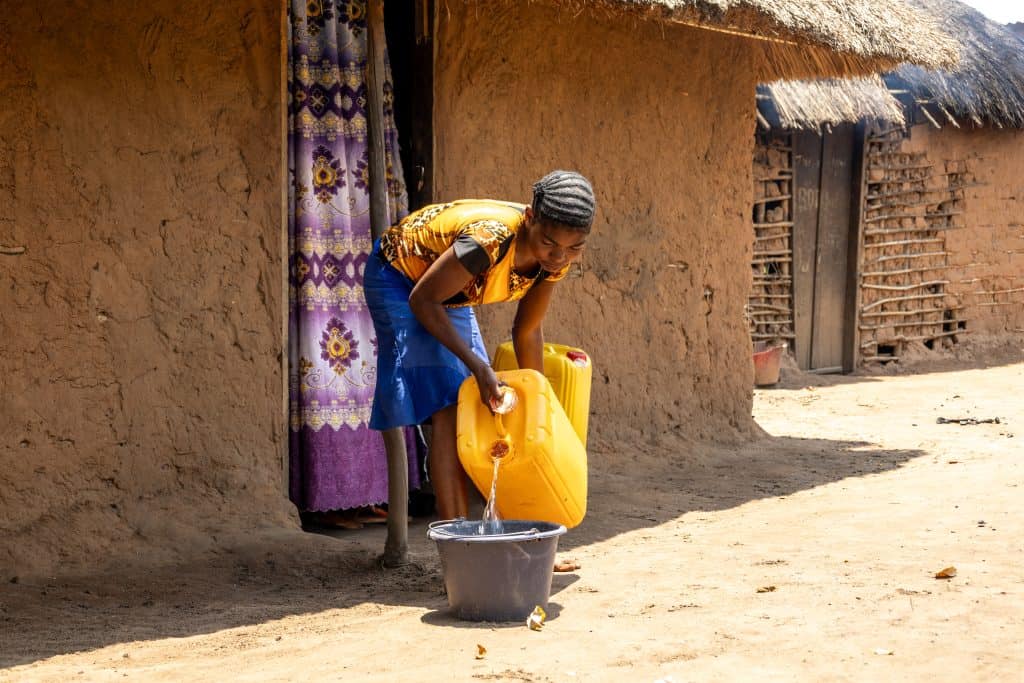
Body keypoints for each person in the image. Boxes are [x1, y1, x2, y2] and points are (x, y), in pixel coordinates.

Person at [364, 170, 596, 519]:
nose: (559, 257)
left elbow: (527, 331)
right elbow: (423, 300)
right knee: (452, 406)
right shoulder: (489, 240)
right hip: (400, 277)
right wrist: (479, 365)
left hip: (448, 294)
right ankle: (460, 544)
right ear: (530, 219)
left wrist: (537, 404)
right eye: (549, 244)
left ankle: (513, 534)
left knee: (488, 407)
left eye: (574, 248)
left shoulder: (554, 258)